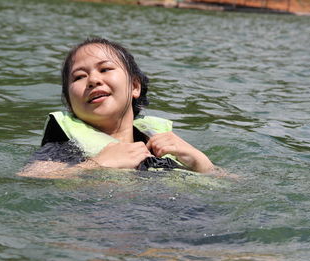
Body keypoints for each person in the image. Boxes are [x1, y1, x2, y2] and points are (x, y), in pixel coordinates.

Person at [18, 38, 226, 178]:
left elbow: (235, 184)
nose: (93, 80)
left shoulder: (160, 143)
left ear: (134, 86)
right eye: (79, 77)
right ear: (70, 101)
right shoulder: (67, 145)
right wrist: (97, 165)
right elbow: (30, 177)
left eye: (105, 69)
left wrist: (202, 163)